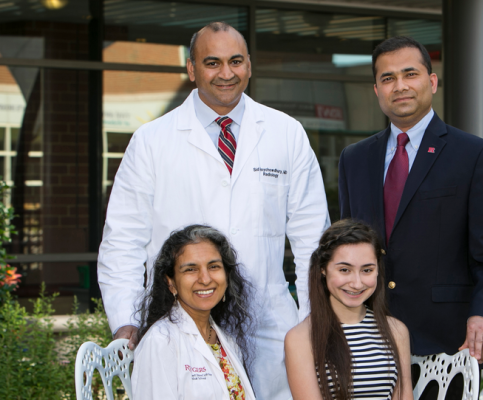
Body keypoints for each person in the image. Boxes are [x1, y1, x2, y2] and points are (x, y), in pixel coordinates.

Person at [98, 21, 330, 400]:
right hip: (183, 322)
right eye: (212, 62)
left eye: (236, 61)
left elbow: (312, 239)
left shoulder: (286, 133)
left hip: (270, 323)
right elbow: (123, 239)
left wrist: (313, 318)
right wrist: (126, 321)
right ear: (191, 70)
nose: (226, 73)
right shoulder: (152, 141)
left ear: (250, 66)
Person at [338, 36, 483, 380]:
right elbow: (347, 249)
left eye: (410, 74)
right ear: (376, 90)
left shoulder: (474, 155)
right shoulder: (354, 159)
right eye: (387, 78)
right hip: (368, 337)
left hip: (448, 342)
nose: (399, 86)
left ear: (431, 82)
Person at [285, 219, 413, 400]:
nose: (357, 283)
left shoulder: (396, 331)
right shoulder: (301, 338)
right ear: (323, 269)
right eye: (345, 270)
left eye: (367, 270)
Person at [131, 224, 256, 399]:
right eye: (190, 269)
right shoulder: (161, 341)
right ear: (171, 282)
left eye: (213, 266)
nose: (205, 279)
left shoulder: (226, 340)